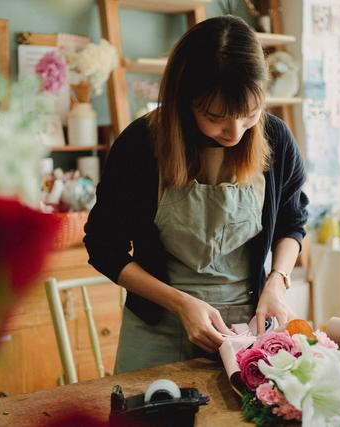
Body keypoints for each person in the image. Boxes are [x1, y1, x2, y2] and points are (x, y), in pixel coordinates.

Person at [84, 15, 309, 373]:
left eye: (249, 113)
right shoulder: (141, 145)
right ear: (185, 101)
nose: (234, 131)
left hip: (246, 327)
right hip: (157, 324)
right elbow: (103, 246)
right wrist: (180, 304)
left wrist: (277, 282)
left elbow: (292, 223)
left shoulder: (277, 140)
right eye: (216, 115)